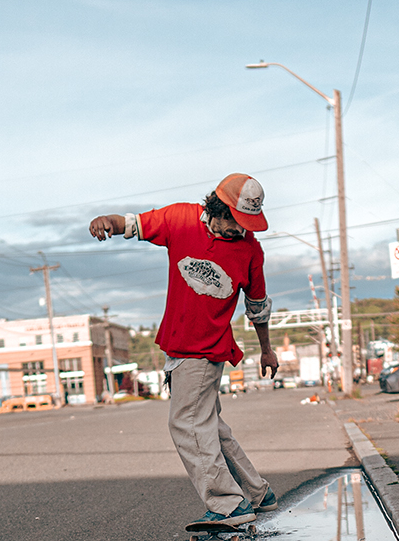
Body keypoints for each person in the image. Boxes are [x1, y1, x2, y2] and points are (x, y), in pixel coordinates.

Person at [90, 174, 279, 523]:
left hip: (205, 350)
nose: (240, 232)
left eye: (247, 226)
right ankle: (256, 492)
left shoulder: (251, 249)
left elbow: (257, 305)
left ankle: (227, 504)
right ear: (217, 209)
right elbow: (133, 224)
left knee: (186, 425)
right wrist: (107, 223)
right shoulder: (180, 220)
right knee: (208, 425)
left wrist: (267, 349)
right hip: (179, 345)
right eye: (235, 224)